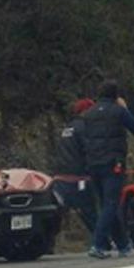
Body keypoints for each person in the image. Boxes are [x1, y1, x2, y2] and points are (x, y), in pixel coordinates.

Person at [82, 80, 134, 259]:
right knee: (111, 204)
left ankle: (123, 244)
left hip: (93, 163)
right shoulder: (118, 111)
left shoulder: (88, 114)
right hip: (113, 163)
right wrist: (125, 108)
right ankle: (98, 244)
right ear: (116, 96)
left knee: (106, 205)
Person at [52, 97, 98, 236]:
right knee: (90, 213)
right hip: (79, 179)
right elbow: (90, 151)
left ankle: (50, 241)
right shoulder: (85, 128)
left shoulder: (67, 128)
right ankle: (101, 241)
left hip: (61, 179)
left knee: (56, 214)